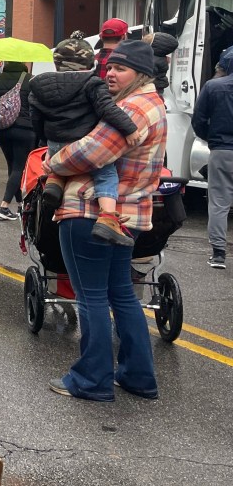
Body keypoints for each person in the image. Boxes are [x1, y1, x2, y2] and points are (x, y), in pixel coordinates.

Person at [44, 39, 166, 402]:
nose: (110, 73)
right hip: (125, 214)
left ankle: (92, 379)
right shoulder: (153, 103)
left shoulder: (133, 107)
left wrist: (52, 163)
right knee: (121, 295)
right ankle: (137, 376)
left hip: (89, 212)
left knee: (91, 297)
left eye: (120, 68)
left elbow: (91, 151)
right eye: (109, 66)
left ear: (140, 74)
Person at [29, 36, 138, 245]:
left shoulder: (39, 85)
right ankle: (108, 217)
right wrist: (129, 129)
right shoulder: (92, 83)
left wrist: (46, 139)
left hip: (55, 141)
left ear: (57, 62)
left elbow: (36, 119)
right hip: (83, 141)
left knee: (57, 162)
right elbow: (108, 109)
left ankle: (54, 182)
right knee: (106, 173)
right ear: (91, 62)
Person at [192, 45, 233, 269]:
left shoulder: (214, 86)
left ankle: (218, 254)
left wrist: (211, 139)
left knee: (219, 201)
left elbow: (198, 120)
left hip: (222, 151)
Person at [0, 61, 34, 221]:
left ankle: (20, 205)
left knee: (12, 167)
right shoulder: (30, 79)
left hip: (3, 129)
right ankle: (3, 206)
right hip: (25, 129)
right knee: (19, 168)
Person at [145, 30, 178, 96]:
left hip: (153, 89)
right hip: (158, 87)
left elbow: (148, 78)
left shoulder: (152, 60)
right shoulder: (160, 58)